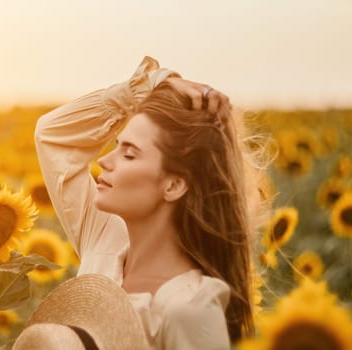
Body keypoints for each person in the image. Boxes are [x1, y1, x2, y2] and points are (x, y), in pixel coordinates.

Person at [17, 56, 258, 349]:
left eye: (129, 154)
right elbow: (53, 136)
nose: (104, 161)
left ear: (174, 184)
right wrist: (146, 88)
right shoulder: (104, 242)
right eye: (116, 146)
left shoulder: (189, 308)